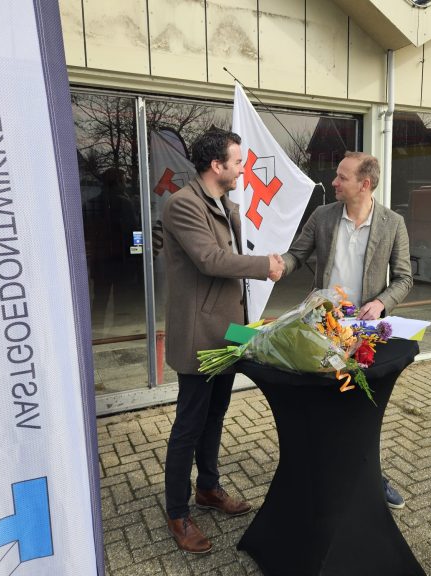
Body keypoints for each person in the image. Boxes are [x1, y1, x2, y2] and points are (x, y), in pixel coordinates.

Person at [162, 128, 284, 553]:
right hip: (199, 335)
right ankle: (177, 513)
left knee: (215, 416)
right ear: (217, 166)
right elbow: (210, 260)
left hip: (228, 332)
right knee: (189, 425)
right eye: (237, 162)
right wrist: (263, 264)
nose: (241, 169)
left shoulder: (224, 205)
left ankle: (208, 489)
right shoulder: (183, 205)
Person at [280, 151, 413, 509]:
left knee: (363, 410)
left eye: (342, 177)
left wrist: (382, 302)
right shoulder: (323, 216)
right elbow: (297, 254)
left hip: (364, 334)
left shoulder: (393, 223)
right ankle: (318, 475)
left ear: (364, 184)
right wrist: (278, 266)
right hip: (320, 328)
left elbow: (404, 278)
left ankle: (373, 478)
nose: (334, 182)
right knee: (321, 404)